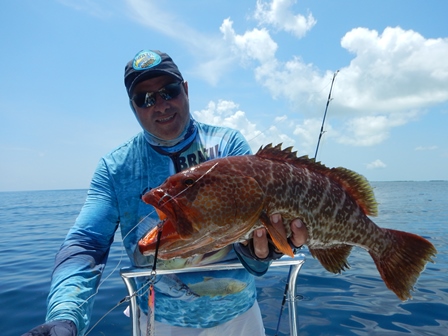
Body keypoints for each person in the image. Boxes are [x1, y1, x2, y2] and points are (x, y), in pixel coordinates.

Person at [22, 49, 308, 336]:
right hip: (158, 322)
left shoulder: (228, 145)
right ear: (133, 107)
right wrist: (64, 316)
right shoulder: (115, 167)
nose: (160, 104)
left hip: (238, 316)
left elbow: (254, 234)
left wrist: (261, 254)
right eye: (145, 99)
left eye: (169, 91)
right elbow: (86, 244)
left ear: (185, 90)